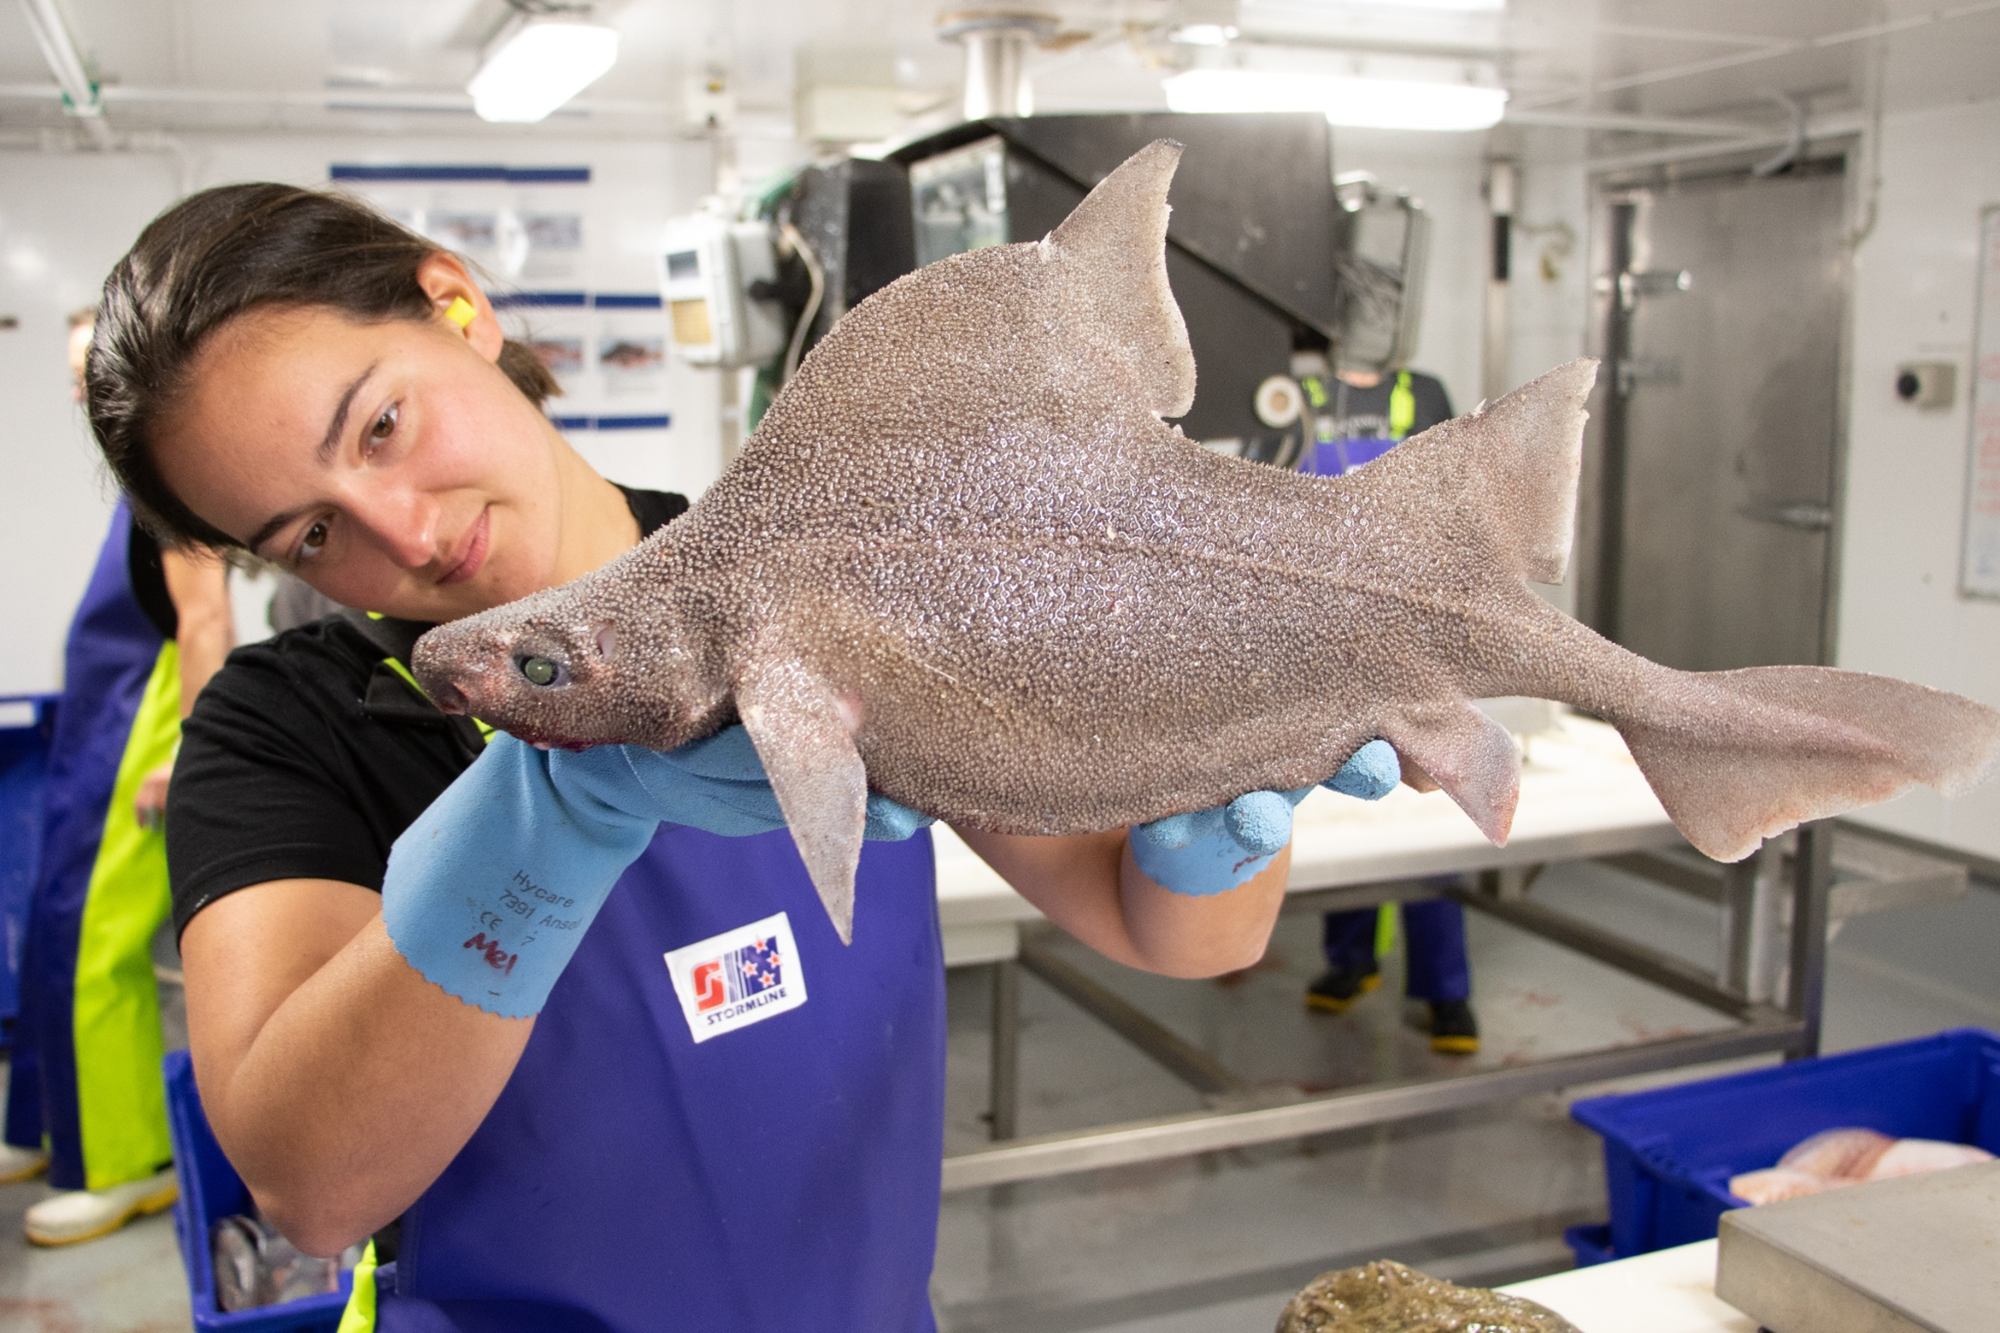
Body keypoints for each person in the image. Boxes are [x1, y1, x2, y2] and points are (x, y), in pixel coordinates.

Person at [80, 184, 1401, 1330]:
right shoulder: (291, 724)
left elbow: (1176, 932)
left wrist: (1225, 821)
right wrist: (549, 819)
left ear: (456, 309)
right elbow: (310, 1184)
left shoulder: (827, 576)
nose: (402, 532)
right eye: (308, 535)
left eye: (380, 427)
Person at [0, 308, 234, 1244]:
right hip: (89, 736)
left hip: (141, 734)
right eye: (70, 372)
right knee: (54, 935)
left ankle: (124, 1159)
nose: (78, 388)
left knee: (100, 948)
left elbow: (206, 620)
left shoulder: (169, 485)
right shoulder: (129, 485)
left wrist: (191, 745)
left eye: (88, 367)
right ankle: (44, 1128)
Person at [1294, 358, 1480, 1055]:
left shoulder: (1424, 391)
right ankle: (1350, 957)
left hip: (1414, 633)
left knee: (1431, 810)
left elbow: (1464, 499)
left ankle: (1445, 989)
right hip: (1322, 638)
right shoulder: (1290, 394)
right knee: (1346, 804)